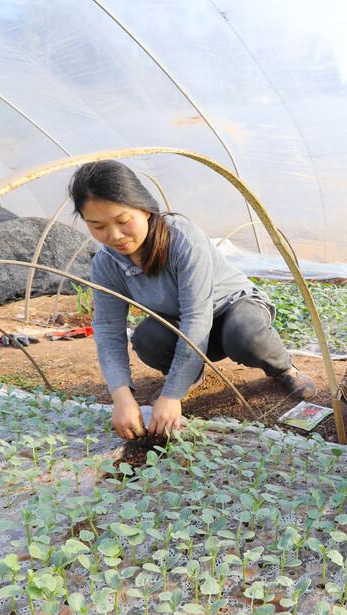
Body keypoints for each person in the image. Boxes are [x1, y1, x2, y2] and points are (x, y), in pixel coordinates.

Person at [70, 160, 315, 439]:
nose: (114, 236)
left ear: (145, 209)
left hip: (231, 309)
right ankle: (190, 375)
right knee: (147, 338)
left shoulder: (182, 239)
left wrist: (172, 395)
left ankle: (284, 367)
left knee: (245, 334)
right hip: (183, 324)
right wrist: (121, 397)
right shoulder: (106, 264)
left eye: (124, 221)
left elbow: (197, 318)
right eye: (97, 226)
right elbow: (108, 331)